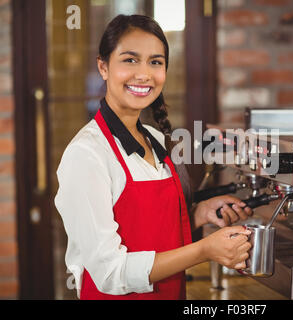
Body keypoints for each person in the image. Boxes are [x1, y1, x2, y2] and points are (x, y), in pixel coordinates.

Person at [55, 14, 253, 300]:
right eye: (130, 60)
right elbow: (110, 272)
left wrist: (198, 214)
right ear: (103, 66)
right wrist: (204, 250)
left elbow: (149, 233)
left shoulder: (155, 139)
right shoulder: (86, 154)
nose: (144, 74)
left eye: (156, 62)